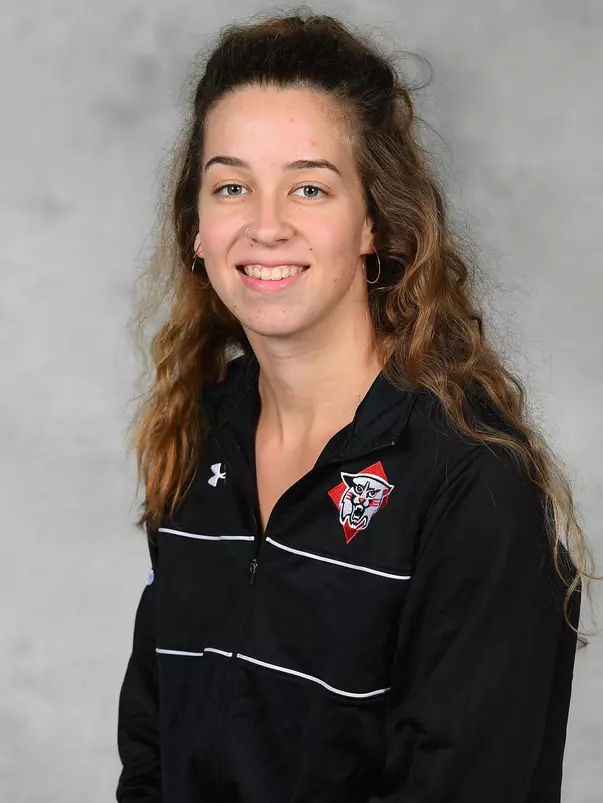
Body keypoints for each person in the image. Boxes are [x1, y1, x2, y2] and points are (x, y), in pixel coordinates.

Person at [116, 10, 597, 803]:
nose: (265, 226)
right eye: (231, 186)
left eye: (309, 186)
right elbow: (152, 755)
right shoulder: (198, 437)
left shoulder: (471, 484)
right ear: (195, 229)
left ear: (373, 222)